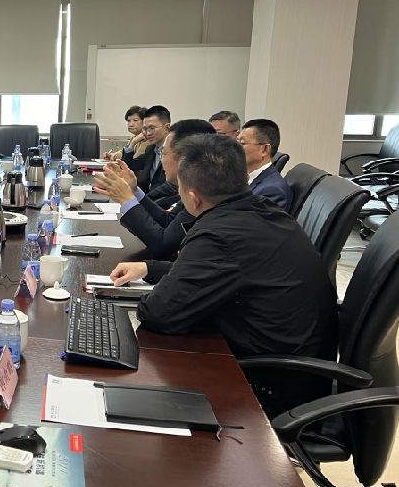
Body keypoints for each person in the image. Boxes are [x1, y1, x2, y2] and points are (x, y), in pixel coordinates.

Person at [109, 134, 337, 414]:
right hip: (296, 369)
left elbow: (157, 313)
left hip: (267, 387)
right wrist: (150, 268)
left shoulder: (217, 234)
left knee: (129, 384)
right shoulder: (260, 210)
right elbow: (225, 270)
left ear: (193, 198)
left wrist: (161, 288)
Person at [92, 119, 215, 259]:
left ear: (184, 159)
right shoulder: (198, 186)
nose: (161, 160)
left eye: (164, 154)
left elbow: (162, 246)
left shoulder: (206, 194)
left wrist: (126, 199)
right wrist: (134, 191)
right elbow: (168, 221)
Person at [239, 118, 293, 212]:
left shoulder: (273, 190)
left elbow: (247, 220)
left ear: (264, 150)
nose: (235, 148)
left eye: (242, 143)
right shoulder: (243, 177)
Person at [122, 104, 171, 195]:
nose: (148, 133)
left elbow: (170, 190)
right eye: (145, 129)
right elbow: (128, 166)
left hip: (162, 201)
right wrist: (133, 143)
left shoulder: (175, 152)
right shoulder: (151, 150)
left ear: (166, 128)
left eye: (152, 128)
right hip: (145, 198)